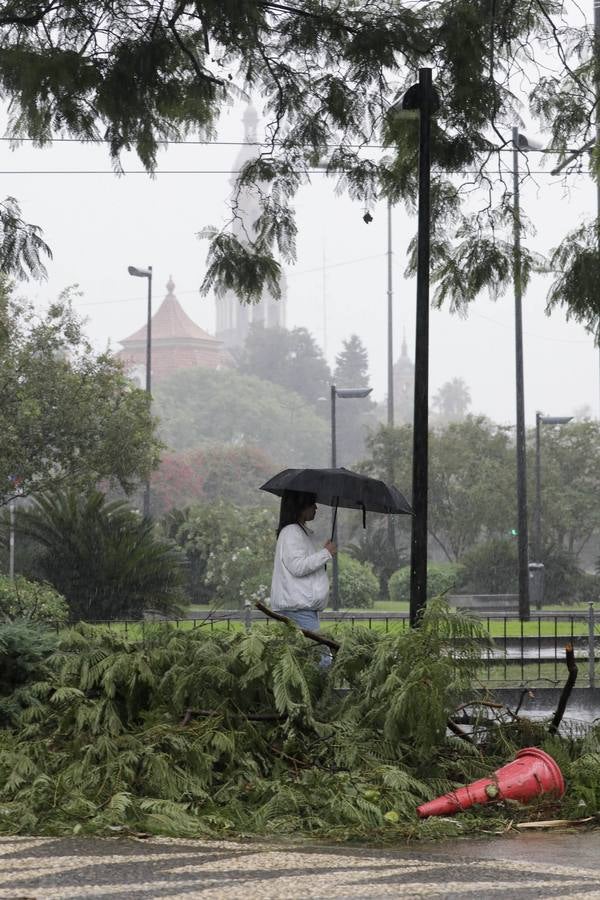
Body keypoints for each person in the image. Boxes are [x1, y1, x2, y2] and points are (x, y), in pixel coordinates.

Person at [269, 490, 336, 633]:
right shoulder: (292, 531)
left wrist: (324, 553)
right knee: (320, 654)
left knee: (308, 653)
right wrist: (325, 553)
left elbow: (303, 564)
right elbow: (298, 566)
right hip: (298, 609)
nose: (316, 508)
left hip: (300, 607)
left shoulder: (298, 531)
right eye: (312, 503)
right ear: (300, 506)